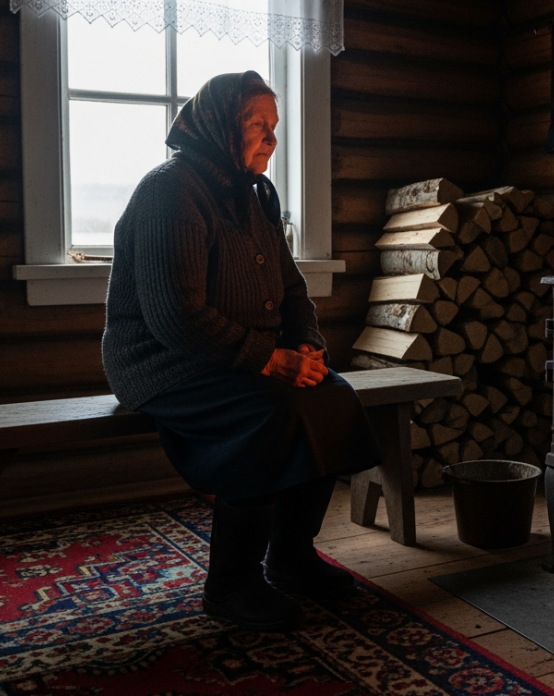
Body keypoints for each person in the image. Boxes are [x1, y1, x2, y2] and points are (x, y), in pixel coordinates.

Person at [101, 71, 381, 632]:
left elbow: (293, 289)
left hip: (238, 357)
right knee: (268, 414)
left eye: (274, 126)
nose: (271, 139)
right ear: (218, 125)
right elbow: (176, 317)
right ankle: (231, 584)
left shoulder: (250, 195)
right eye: (257, 125)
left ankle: (292, 557)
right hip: (162, 361)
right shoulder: (169, 192)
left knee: (333, 398)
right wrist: (271, 360)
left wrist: (307, 345)